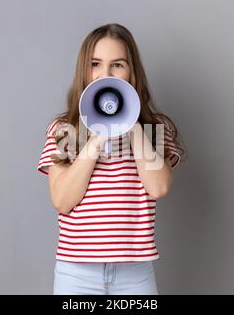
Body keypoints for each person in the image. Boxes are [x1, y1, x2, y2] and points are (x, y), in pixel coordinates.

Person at [37, 23, 186, 295]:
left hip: (135, 274)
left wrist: (130, 122)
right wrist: (97, 135)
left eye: (117, 64)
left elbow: (158, 187)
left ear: (132, 73)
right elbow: (62, 199)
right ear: (85, 70)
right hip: (76, 273)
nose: (105, 74)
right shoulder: (64, 128)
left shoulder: (154, 129)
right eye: (95, 63)